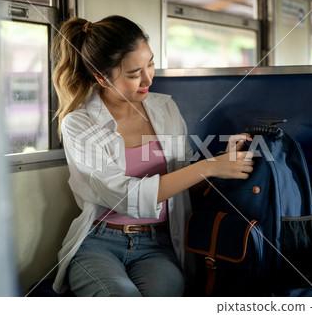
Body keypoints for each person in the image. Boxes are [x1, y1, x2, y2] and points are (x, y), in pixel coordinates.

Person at [51, 15, 254, 297]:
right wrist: (209, 166)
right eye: (134, 74)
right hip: (99, 242)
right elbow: (125, 197)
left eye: (150, 63)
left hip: (158, 244)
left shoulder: (165, 108)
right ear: (101, 77)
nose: (148, 79)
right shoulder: (79, 123)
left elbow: (183, 177)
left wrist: (223, 161)